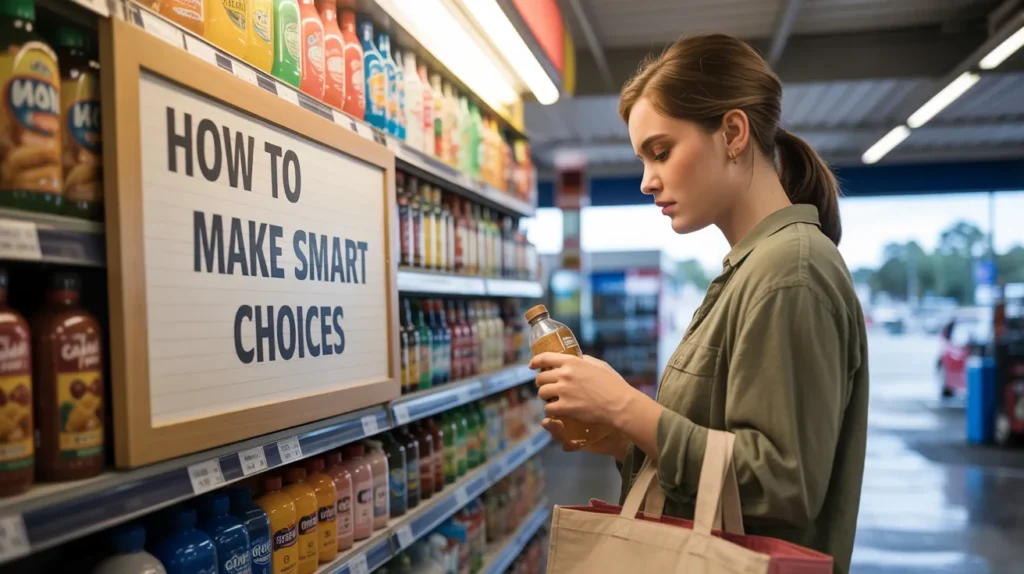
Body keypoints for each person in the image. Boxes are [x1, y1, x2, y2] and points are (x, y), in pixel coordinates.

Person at [531, 34, 868, 574]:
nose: (646, 181)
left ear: (733, 133)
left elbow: (782, 484)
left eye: (662, 152)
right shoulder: (748, 268)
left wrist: (625, 405)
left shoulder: (790, 270)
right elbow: (720, 456)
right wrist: (626, 440)